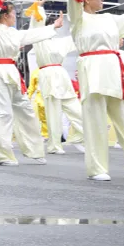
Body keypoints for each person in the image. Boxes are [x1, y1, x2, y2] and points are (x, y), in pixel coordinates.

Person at [63, 0, 124, 181]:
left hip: (113, 73)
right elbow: (73, 0)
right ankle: (98, 168)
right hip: (92, 71)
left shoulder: (110, 19)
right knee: (95, 122)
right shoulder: (78, 19)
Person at [0, 0, 60, 166]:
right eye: (12, 13)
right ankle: (3, 155)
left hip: (11, 71)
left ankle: (34, 151)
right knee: (2, 114)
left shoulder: (13, 33)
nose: (14, 17)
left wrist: (53, 27)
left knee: (25, 109)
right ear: (5, 15)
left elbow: (31, 35)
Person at [29, 10, 85, 155]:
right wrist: (38, 9)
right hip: (47, 75)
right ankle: (54, 145)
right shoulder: (39, 40)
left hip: (62, 75)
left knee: (76, 109)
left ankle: (80, 135)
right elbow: (35, 27)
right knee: (53, 113)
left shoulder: (61, 41)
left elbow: (77, 36)